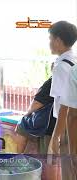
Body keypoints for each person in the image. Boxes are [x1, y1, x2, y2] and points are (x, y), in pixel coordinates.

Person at [47, 21, 77, 180]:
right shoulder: (74, 60)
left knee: (69, 171)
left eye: (50, 38)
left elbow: (64, 104)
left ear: (58, 41)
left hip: (68, 124)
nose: (49, 43)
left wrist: (56, 136)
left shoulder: (60, 67)